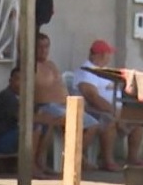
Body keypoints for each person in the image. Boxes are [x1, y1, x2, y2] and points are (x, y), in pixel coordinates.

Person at [74, 39, 143, 171]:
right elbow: (92, 97)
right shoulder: (86, 72)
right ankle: (108, 160)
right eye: (109, 54)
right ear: (102, 55)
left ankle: (132, 157)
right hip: (94, 110)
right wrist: (113, 112)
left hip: (114, 110)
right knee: (110, 122)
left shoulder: (103, 71)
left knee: (138, 121)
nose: (110, 57)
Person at [34, 32, 100, 172]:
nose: (44, 50)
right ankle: (73, 160)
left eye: (46, 47)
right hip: (48, 106)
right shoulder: (32, 67)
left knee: (93, 124)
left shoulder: (51, 64)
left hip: (65, 105)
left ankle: (77, 157)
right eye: (40, 47)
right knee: (72, 122)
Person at [0, 67, 61, 178]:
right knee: (35, 127)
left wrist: (49, 118)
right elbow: (22, 117)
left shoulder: (25, 96)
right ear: (10, 81)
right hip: (1, 141)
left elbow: (37, 111)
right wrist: (43, 118)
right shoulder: (7, 96)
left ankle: (39, 161)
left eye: (23, 80)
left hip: (16, 136)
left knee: (46, 125)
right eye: (17, 79)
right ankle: (29, 166)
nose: (20, 83)